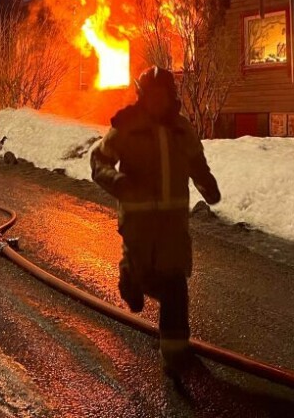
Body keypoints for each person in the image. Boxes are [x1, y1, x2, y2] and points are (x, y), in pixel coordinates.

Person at [90, 66, 221, 374]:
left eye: (163, 95)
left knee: (175, 287)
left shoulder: (182, 129)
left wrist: (207, 185)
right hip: (139, 229)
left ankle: (174, 356)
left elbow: (196, 162)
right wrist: (117, 180)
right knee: (142, 279)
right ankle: (129, 278)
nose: (157, 101)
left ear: (171, 96)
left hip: (173, 230)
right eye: (151, 95)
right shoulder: (126, 127)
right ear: (142, 96)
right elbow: (99, 160)